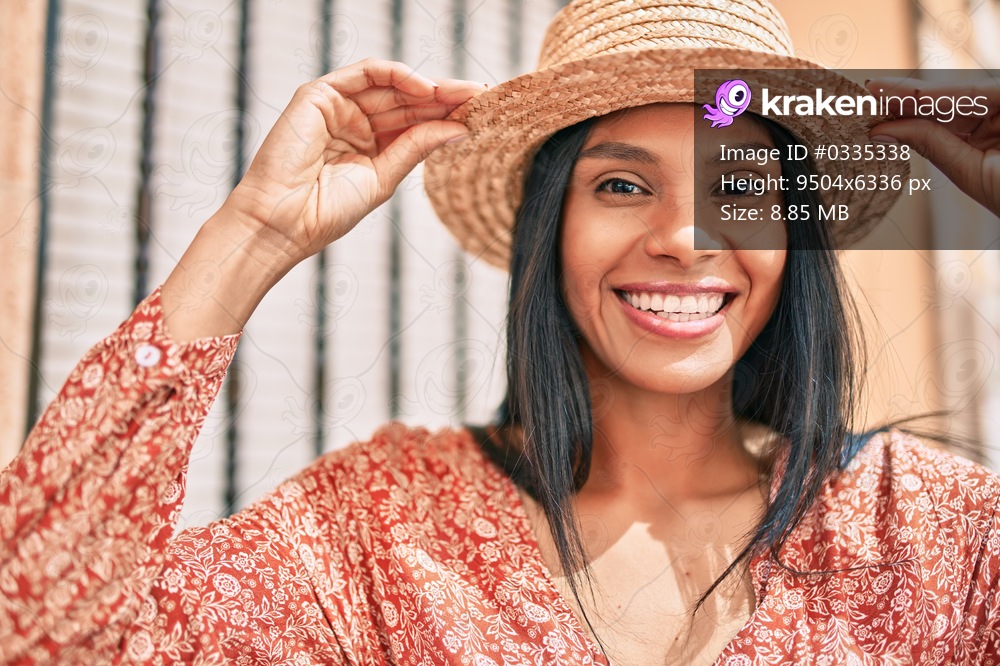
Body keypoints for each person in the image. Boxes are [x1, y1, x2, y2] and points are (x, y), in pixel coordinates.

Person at [1, 0, 999, 664]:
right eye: (619, 185)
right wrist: (253, 237)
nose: (686, 238)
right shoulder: (379, 530)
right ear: (547, 228)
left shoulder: (933, 533)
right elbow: (46, 626)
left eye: (738, 188)